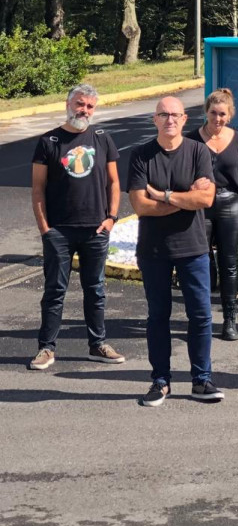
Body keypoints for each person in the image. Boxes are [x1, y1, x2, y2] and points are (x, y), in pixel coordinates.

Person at [127, 96, 220, 407]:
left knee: (201, 316)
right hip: (154, 250)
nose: (169, 119)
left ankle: (201, 379)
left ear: (184, 120)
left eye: (175, 115)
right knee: (158, 317)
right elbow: (140, 205)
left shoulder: (198, 151)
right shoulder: (141, 155)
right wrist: (185, 198)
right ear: (155, 119)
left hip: (193, 247)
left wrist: (164, 195)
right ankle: (160, 380)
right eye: (163, 114)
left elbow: (206, 200)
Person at [29, 84, 126, 371]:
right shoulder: (49, 141)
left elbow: (115, 183)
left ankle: (98, 345)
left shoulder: (102, 138)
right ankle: (46, 348)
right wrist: (45, 228)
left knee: (95, 290)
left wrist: (111, 219)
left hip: (95, 230)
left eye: (89, 106)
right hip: (59, 230)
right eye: (79, 104)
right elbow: (38, 189)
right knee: (54, 291)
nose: (83, 110)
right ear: (68, 104)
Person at [186, 89, 238, 341]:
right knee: (201, 261)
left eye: (223, 114)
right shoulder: (191, 140)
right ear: (206, 112)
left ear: (230, 115)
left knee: (229, 262)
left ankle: (230, 320)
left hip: (229, 203)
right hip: (201, 205)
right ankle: (201, 317)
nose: (217, 118)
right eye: (213, 113)